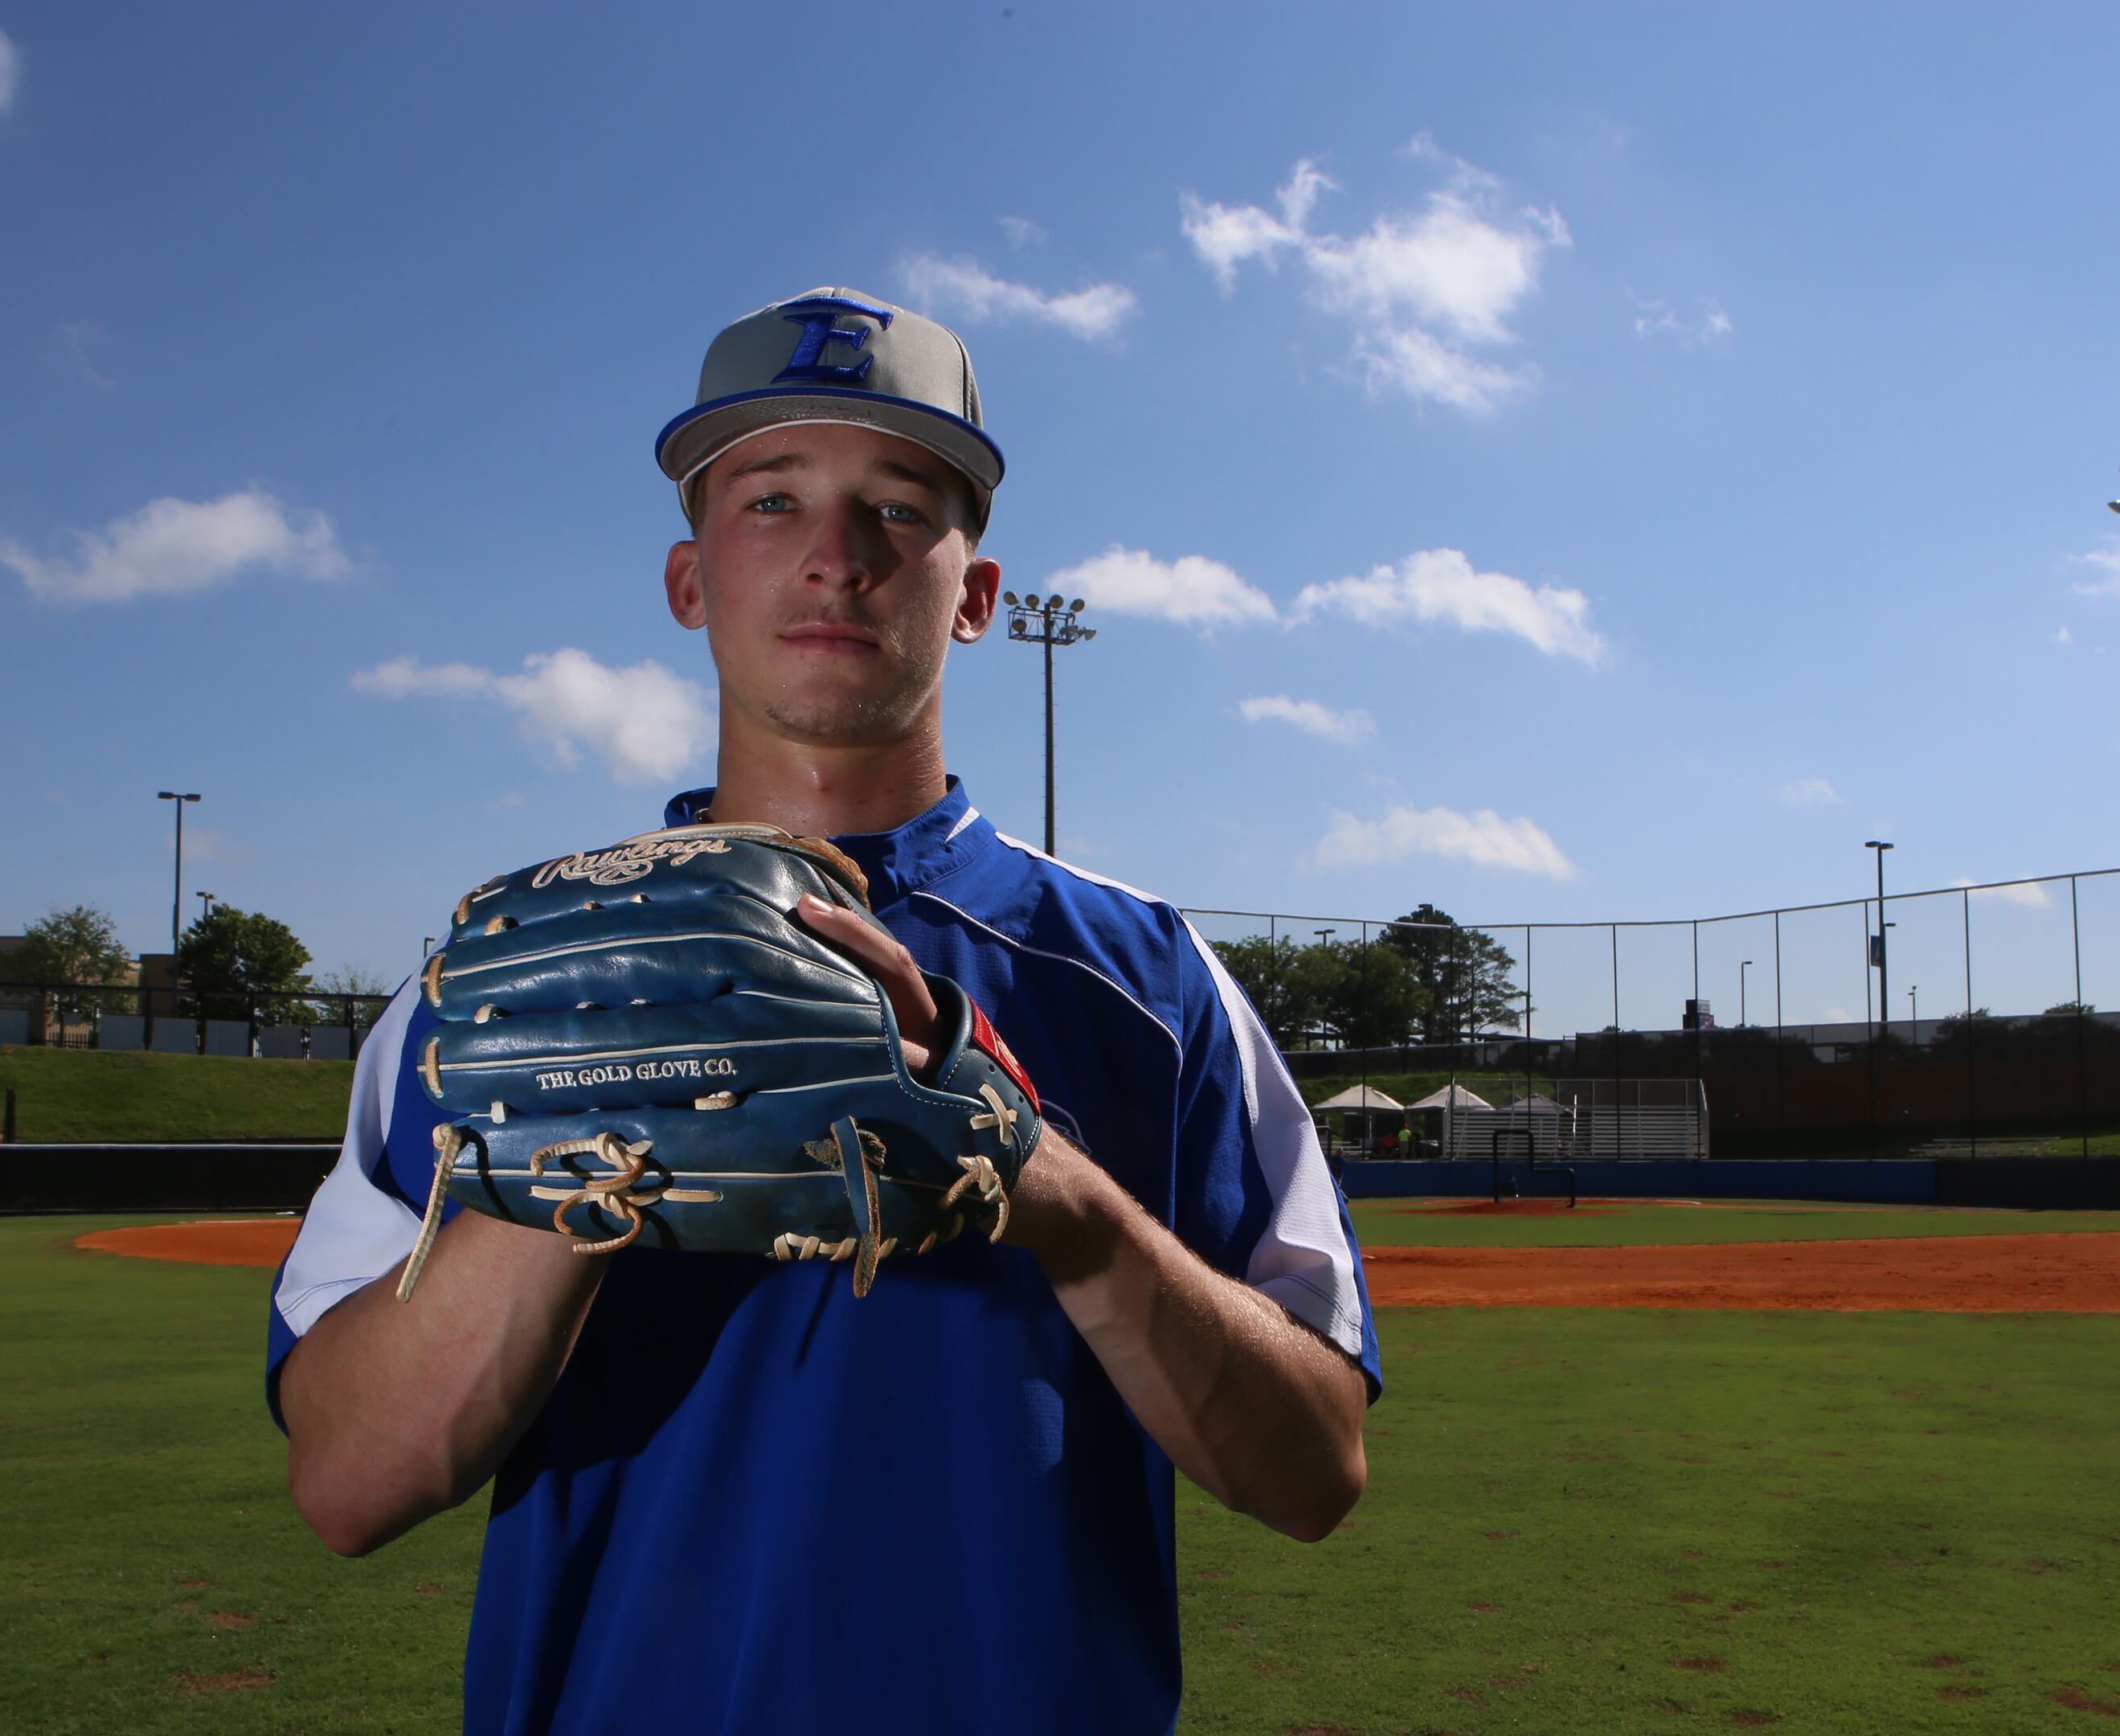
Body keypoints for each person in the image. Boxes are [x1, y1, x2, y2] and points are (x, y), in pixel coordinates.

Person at [265, 288, 1378, 1735]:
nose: (837, 558)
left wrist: (1060, 1199)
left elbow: (1313, 1472)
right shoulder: (499, 982)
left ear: (975, 596)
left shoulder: (1145, 981)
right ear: (689, 578)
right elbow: (348, 1487)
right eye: (772, 499)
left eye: (900, 508)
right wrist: (567, 1170)